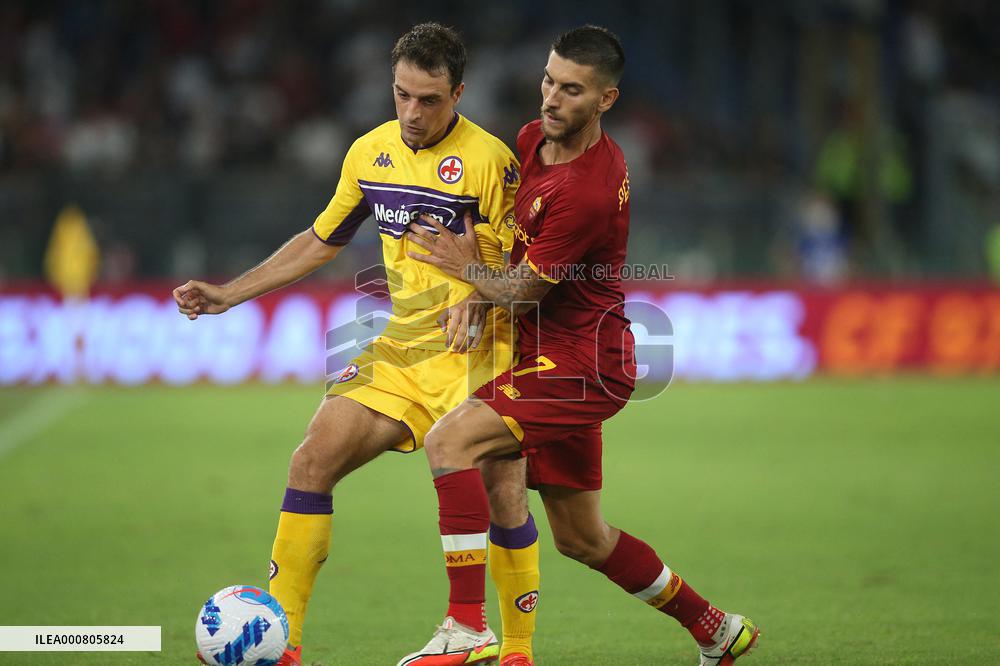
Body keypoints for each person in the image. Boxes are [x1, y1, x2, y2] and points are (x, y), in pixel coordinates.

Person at [175, 23, 534, 666]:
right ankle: (285, 646)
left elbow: (517, 266)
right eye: (401, 95)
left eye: (429, 99)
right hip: (402, 348)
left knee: (504, 496)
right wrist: (232, 293)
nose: (412, 112)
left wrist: (478, 296)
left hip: (478, 351)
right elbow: (321, 239)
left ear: (458, 92)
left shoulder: (491, 161)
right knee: (311, 461)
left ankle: (514, 650)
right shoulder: (370, 153)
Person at [406, 25, 759, 666]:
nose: (551, 98)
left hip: (583, 364)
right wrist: (479, 291)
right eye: (548, 80)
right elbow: (515, 256)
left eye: (572, 90)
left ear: (606, 100)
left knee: (449, 441)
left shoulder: (588, 192)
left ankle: (467, 626)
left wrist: (467, 273)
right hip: (554, 354)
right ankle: (716, 628)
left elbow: (522, 290)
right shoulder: (532, 140)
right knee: (582, 538)